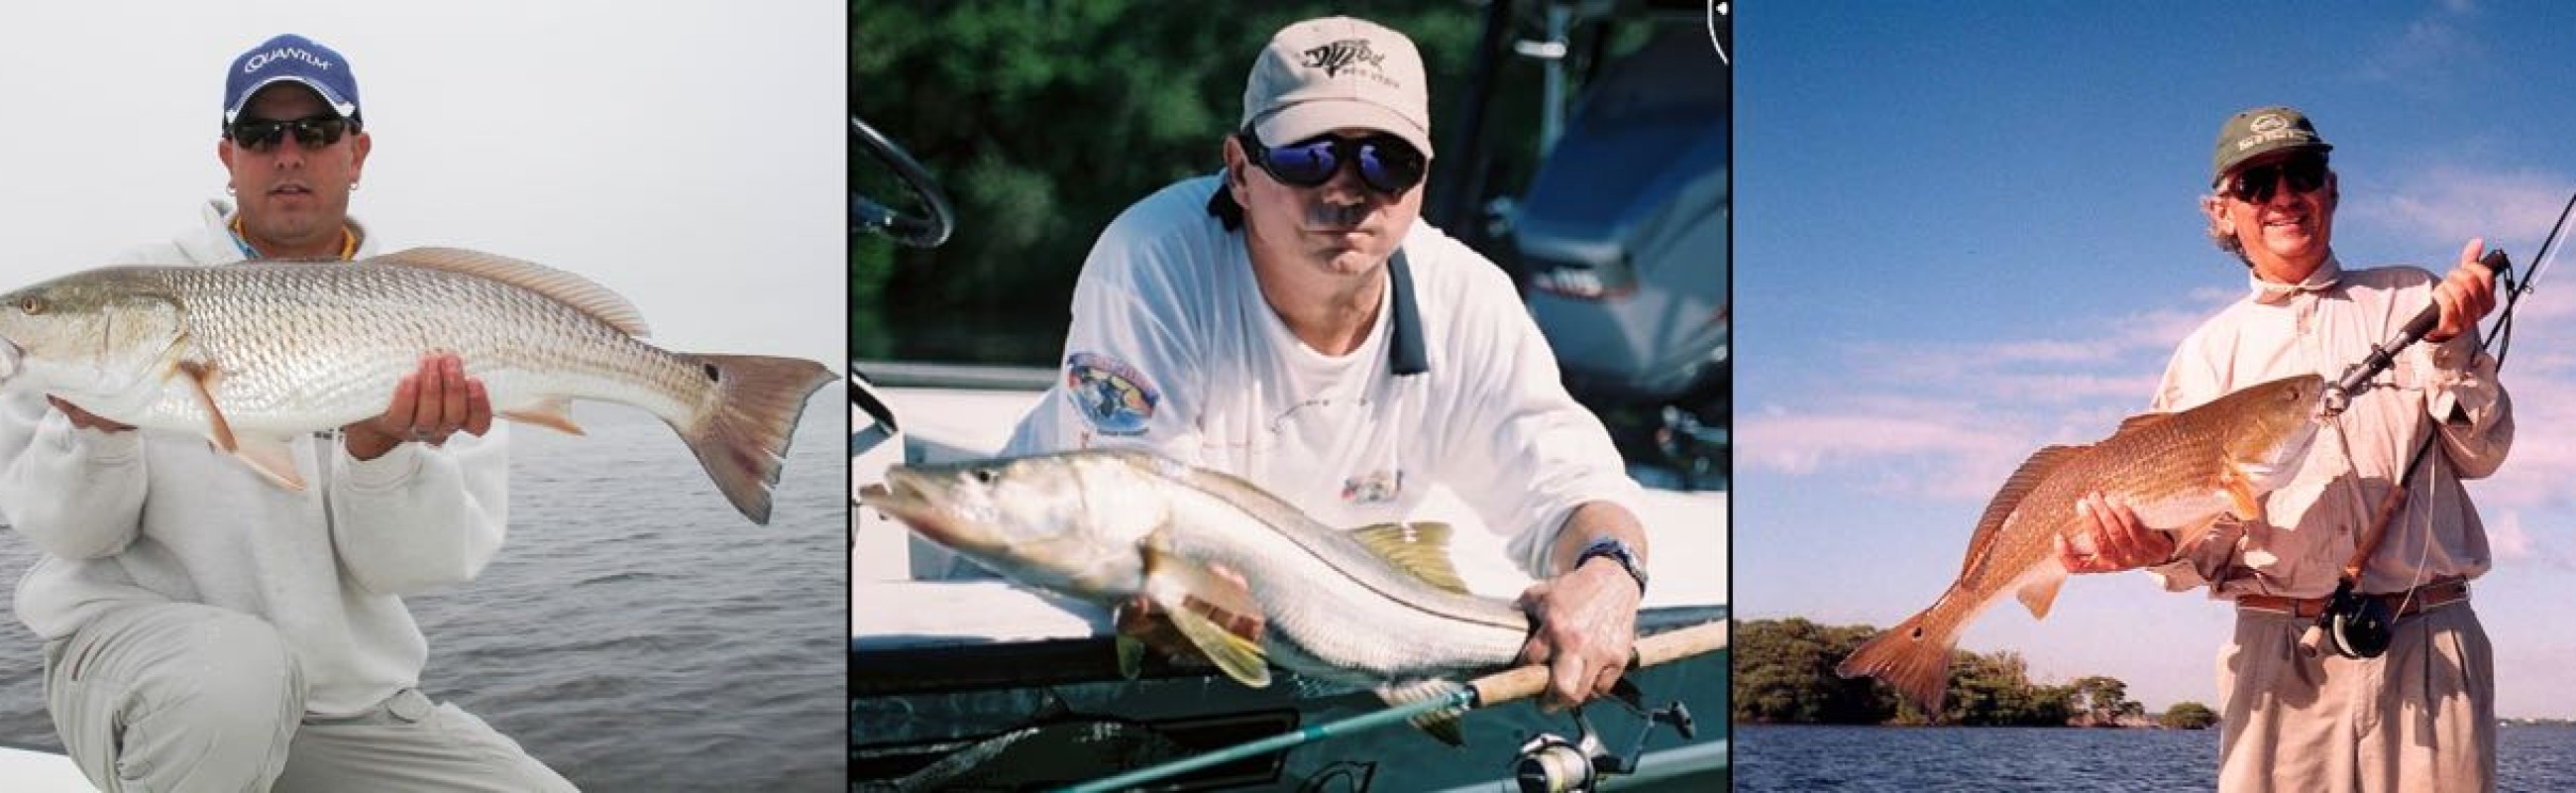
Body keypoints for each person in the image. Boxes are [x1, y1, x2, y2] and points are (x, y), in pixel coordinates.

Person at [998, 16, 1654, 710]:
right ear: (1240, 170)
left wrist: (1609, 574)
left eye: (1387, 161)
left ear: (1424, 180)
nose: (1346, 191)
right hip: (1048, 612)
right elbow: (1143, 528)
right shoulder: (1152, 257)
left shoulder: (1469, 296)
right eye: (1308, 156)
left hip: (1328, 632)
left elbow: (1571, 484)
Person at [0, 34, 577, 792]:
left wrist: (381, 450)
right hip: (140, 678)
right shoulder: (117, 302)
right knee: (233, 682)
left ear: (358, 151)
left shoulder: (438, 318)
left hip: (341, 706)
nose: (288, 154)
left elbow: (419, 567)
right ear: (227, 156)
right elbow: (72, 536)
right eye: (260, 134)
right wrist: (98, 435)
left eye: (316, 131)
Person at [2059, 106, 2511, 791]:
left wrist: (2451, 344)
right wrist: (2158, 551)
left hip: (2431, 644)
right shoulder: (2204, 354)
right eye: (2255, 184)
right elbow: (2196, 550)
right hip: (2277, 659)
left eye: (2301, 173)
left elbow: (2483, 454)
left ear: (2331, 188)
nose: (2282, 196)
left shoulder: (2415, 297)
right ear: (2221, 212)